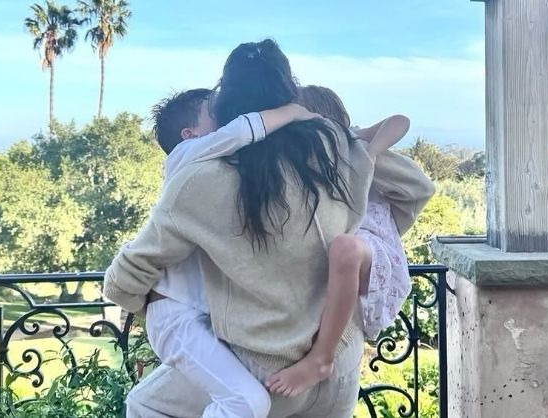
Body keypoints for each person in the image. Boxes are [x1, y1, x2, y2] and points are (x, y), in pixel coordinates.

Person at [104, 39, 431, 418]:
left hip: (263, 370)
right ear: (289, 94)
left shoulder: (199, 178)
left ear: (228, 105)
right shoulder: (333, 149)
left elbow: (123, 281)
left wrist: (163, 310)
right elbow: (417, 187)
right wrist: (363, 159)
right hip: (340, 360)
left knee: (144, 404)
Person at [143, 87, 320, 418]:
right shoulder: (182, 157)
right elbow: (240, 130)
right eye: (213, 111)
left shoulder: (214, 169)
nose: (224, 115)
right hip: (176, 317)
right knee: (247, 401)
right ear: (189, 135)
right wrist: (294, 112)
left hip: (197, 316)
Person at [266, 85, 434, 396]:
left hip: (372, 248)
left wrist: (369, 153)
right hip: (350, 249)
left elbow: (400, 121)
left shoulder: (353, 146)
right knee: (341, 248)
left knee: (345, 248)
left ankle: (322, 358)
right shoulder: (303, 164)